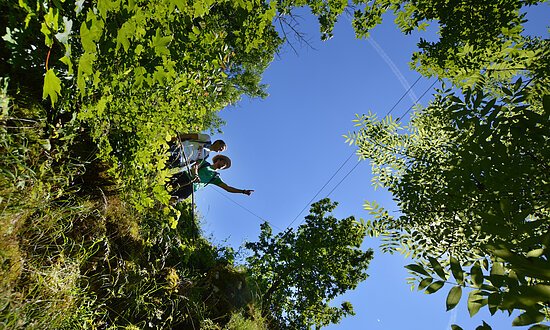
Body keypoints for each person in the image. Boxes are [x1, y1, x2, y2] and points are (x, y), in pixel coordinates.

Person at [170, 154, 254, 202]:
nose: (224, 165)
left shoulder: (215, 177)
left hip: (190, 188)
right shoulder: (205, 163)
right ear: (219, 160)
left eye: (225, 166)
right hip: (184, 177)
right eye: (224, 163)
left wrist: (243, 191)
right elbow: (194, 166)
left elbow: (227, 188)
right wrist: (196, 174)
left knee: (173, 200)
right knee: (165, 184)